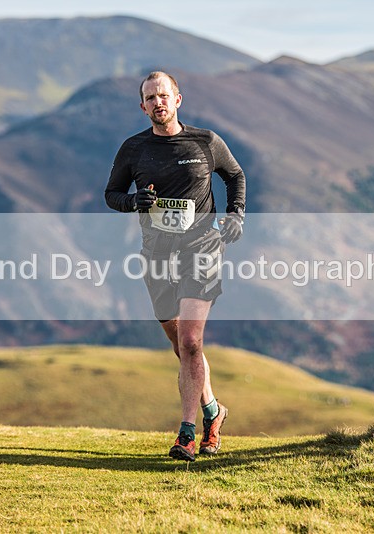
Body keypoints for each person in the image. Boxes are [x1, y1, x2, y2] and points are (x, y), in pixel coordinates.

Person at [104, 71, 246, 461]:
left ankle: (187, 433)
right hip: (157, 257)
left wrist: (236, 216)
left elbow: (234, 175)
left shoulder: (205, 142)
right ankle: (214, 412)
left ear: (178, 99)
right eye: (150, 98)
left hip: (202, 251)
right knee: (178, 342)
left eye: (163, 95)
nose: (157, 103)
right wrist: (135, 202)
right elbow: (111, 194)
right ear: (143, 106)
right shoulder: (133, 149)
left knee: (190, 341)